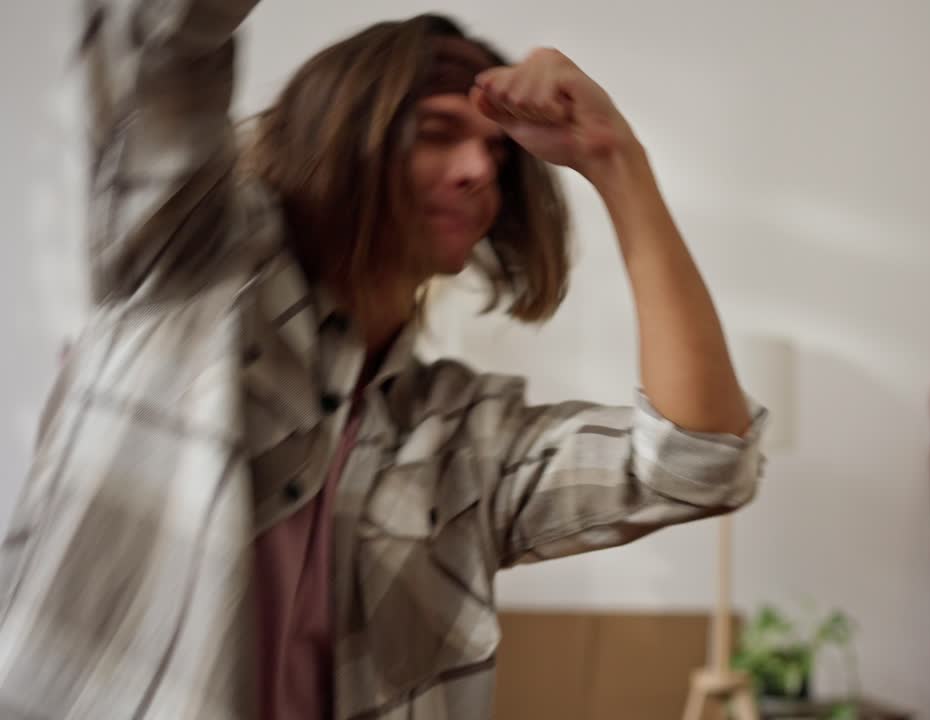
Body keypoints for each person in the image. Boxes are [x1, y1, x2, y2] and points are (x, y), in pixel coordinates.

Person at [0, 3, 767, 719]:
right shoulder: (187, 262)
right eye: (436, 132)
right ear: (339, 134)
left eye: (497, 150)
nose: (479, 171)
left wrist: (615, 160)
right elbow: (158, 39)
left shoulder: (466, 436)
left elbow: (699, 465)